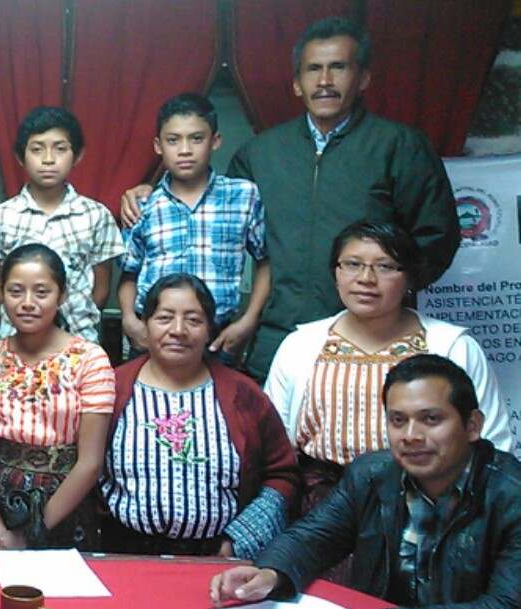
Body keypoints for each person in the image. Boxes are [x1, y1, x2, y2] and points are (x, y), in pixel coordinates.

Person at [121, 17, 458, 381]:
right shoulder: (260, 154)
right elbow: (212, 206)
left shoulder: (400, 147)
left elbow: (436, 237)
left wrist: (386, 297)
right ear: (297, 84)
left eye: (338, 67)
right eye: (313, 69)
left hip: (373, 337)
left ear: (363, 78)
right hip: (277, 339)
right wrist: (150, 191)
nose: (324, 81)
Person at [210, 355, 521, 609]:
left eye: (431, 419)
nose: (411, 435)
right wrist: (271, 573)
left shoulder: (511, 495)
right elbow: (313, 537)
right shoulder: (372, 475)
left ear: (472, 425)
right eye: (398, 420)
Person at [265, 220, 513, 516]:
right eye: (352, 264)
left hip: (431, 506)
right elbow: (274, 446)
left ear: (409, 277)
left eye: (385, 267)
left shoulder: (452, 346)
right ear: (336, 272)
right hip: (320, 506)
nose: (366, 279)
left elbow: (493, 443)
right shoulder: (300, 345)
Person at [102, 273, 299, 558]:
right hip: (123, 554)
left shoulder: (244, 395)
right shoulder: (109, 389)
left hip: (217, 558)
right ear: (145, 324)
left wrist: (238, 541)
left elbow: (282, 475)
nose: (178, 330)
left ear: (209, 330)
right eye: (164, 318)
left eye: (193, 320)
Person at [0, 244, 114, 550]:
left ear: (62, 295)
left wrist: (27, 535)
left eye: (41, 292)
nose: (27, 303)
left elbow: (90, 462)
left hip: (66, 504)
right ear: (1, 294)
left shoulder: (90, 360)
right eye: (15, 291)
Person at [118, 94, 268, 363]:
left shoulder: (243, 196)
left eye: (196, 138)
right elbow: (129, 272)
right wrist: (130, 319)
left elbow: (265, 261)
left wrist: (248, 321)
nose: (185, 150)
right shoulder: (143, 204)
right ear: (158, 146)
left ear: (215, 141)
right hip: (153, 337)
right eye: (173, 140)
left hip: (218, 339)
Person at [0, 106, 124, 343]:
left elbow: (101, 289)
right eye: (37, 149)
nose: (48, 159)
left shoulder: (96, 216)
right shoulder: (0, 217)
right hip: (14, 340)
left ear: (77, 155)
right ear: (20, 157)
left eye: (60, 149)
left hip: (78, 340)